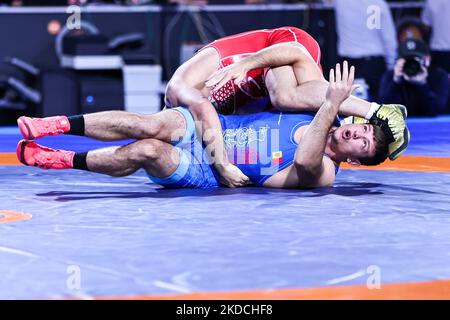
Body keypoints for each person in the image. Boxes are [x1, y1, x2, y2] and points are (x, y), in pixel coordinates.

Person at [17, 63, 393, 189]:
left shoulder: (325, 171)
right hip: (209, 128)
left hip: (209, 171)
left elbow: (308, 158)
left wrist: (332, 102)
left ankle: (61, 160)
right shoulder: (319, 111)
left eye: (364, 143)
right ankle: (54, 123)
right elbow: (287, 55)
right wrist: (254, 63)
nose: (357, 133)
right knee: (148, 123)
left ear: (356, 161)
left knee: (147, 150)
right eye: (364, 129)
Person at [164, 26, 409, 186]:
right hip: (279, 58)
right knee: (285, 98)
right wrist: (222, 163)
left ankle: (374, 111)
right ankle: (374, 111)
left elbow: (296, 52)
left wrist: (245, 63)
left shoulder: (181, 93)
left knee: (284, 99)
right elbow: (296, 52)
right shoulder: (194, 102)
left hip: (278, 53)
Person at [333, 0, 397, 99]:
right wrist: (391, 67)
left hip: (347, 63)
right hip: (373, 64)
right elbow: (389, 39)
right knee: (377, 108)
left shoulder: (340, 2)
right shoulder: (378, 4)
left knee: (345, 107)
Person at [378, 38, 450, 116]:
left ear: (427, 59)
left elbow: (434, 112)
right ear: (398, 60)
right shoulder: (391, 76)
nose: (411, 63)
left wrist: (422, 84)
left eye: (416, 59)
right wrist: (395, 82)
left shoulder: (439, 76)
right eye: (407, 59)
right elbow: (383, 113)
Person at [422, 0, 450, 73]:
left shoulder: (431, 1)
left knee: (439, 81)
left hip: (437, 48)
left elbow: (425, 25)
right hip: (438, 50)